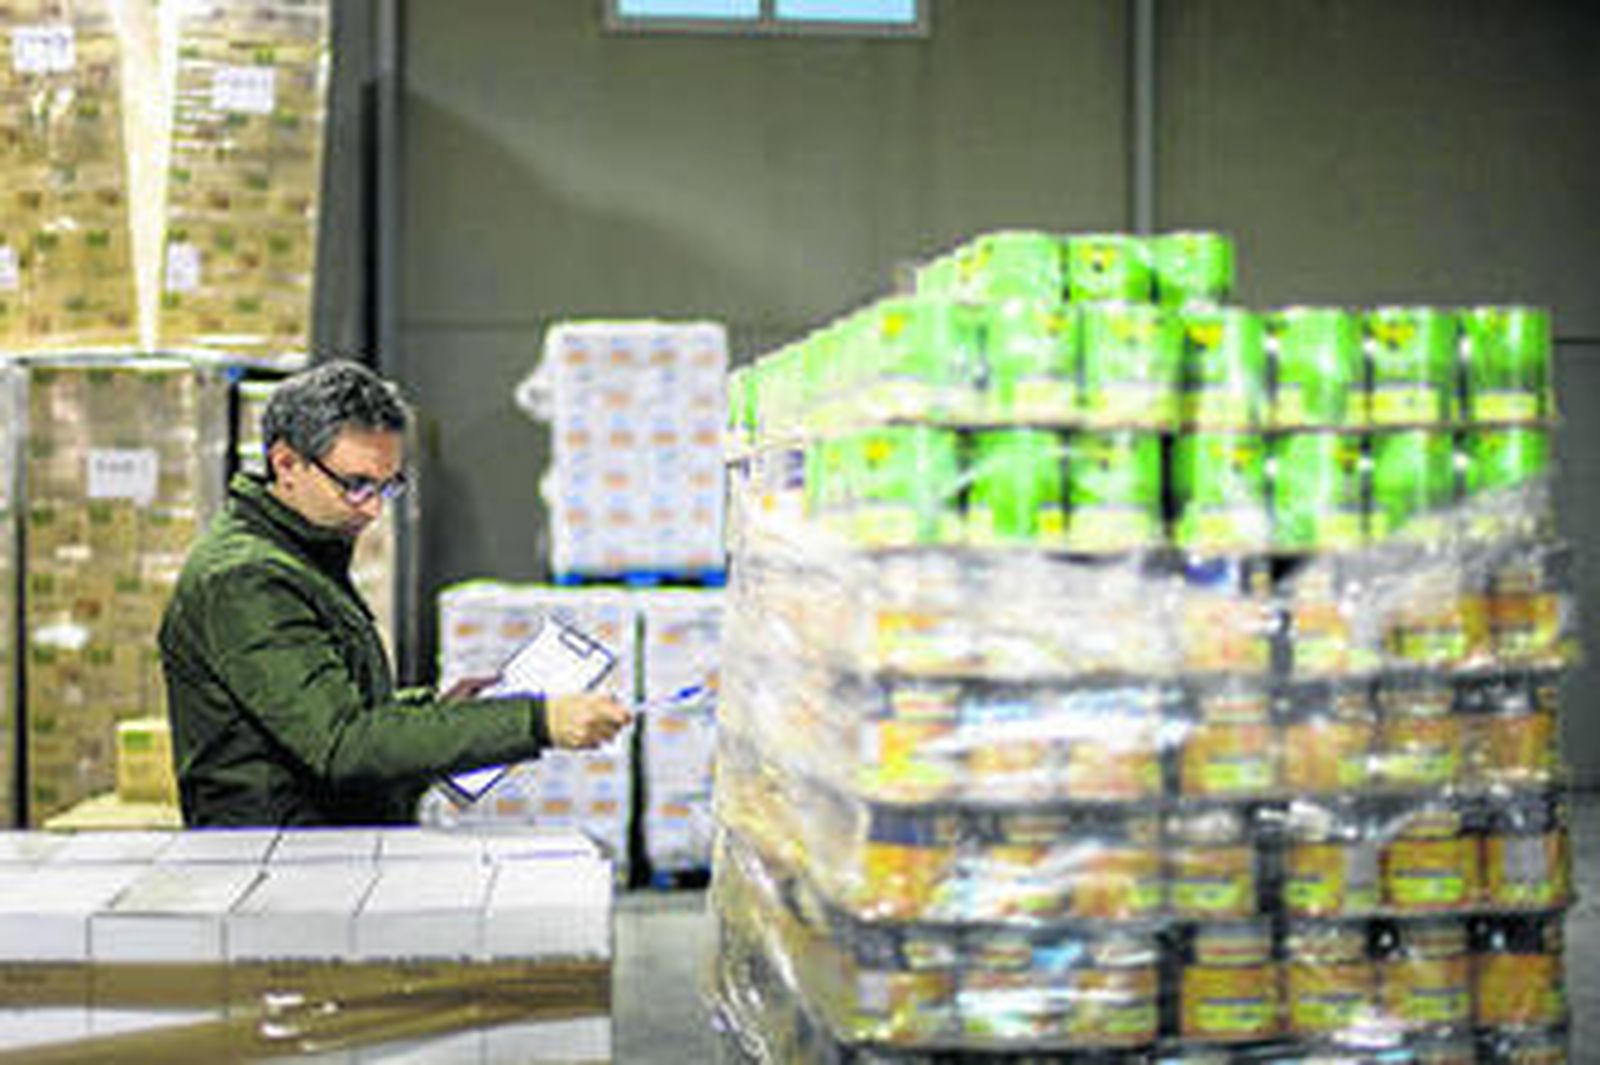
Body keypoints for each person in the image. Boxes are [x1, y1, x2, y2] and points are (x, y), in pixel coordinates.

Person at [158, 360, 632, 827]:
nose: (372, 510)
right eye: (356, 485)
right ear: (286, 463)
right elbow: (342, 743)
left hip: (313, 852)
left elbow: (327, 710)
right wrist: (537, 720)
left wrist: (434, 712)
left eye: (388, 487)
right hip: (275, 863)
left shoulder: (304, 555)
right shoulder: (246, 581)